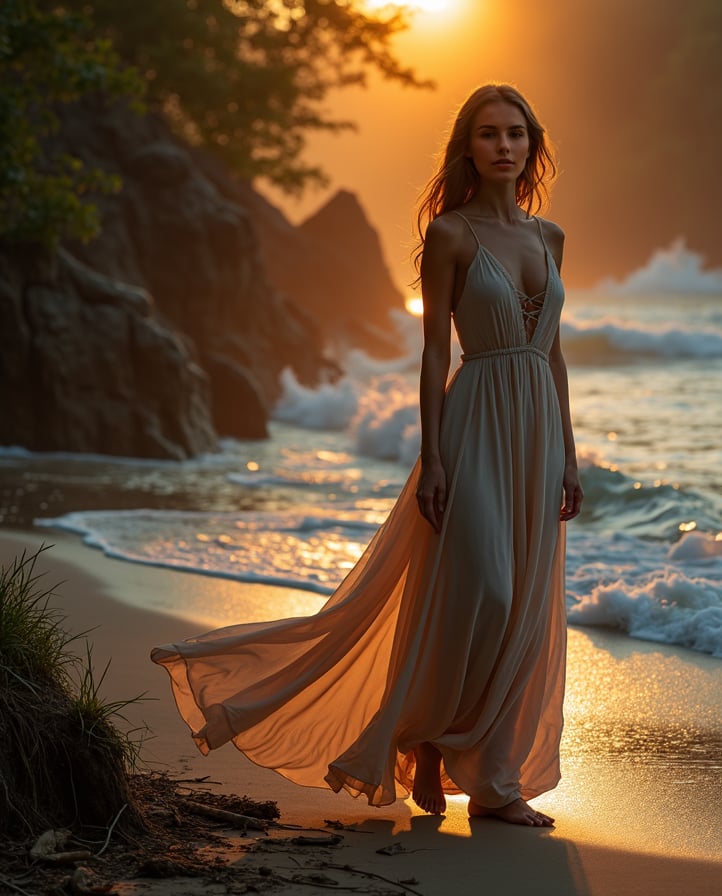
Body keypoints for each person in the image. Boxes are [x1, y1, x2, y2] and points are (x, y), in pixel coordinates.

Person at [151, 83, 583, 829]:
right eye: (488, 134)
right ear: (468, 147)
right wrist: (433, 458)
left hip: (539, 432)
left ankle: (492, 781)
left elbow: (554, 355)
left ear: (532, 144)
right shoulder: (451, 234)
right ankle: (425, 733)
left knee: (523, 607)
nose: (504, 146)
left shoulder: (552, 238)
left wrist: (571, 457)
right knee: (485, 590)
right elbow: (433, 353)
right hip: (476, 422)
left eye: (516, 133)